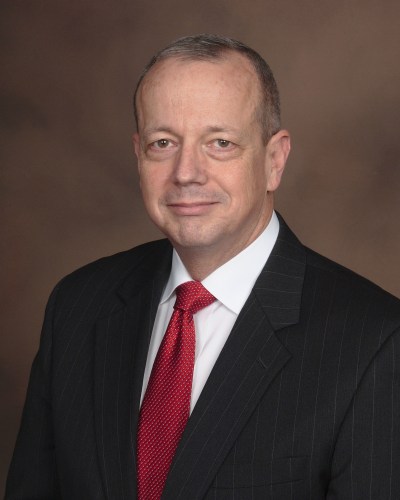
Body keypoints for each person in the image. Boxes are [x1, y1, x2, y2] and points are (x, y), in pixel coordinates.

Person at [5, 34, 400, 500]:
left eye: (220, 143)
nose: (186, 172)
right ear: (138, 154)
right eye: (163, 143)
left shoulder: (375, 341)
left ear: (274, 160)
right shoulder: (76, 306)